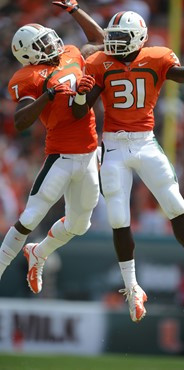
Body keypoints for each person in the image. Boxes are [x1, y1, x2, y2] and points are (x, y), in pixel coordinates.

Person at [72, 11, 184, 322]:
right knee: (118, 216)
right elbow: (81, 111)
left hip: (144, 141)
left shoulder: (157, 57)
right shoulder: (100, 63)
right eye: (110, 37)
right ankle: (133, 289)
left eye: (119, 38)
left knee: (175, 204)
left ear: (139, 39)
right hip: (114, 143)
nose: (113, 43)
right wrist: (79, 94)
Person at [0, 0, 104, 294]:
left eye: (48, 37)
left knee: (80, 224)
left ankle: (39, 253)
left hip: (89, 153)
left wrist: (74, 10)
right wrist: (46, 96)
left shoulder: (71, 53)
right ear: (29, 54)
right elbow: (21, 121)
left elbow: (99, 40)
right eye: (42, 43)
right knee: (29, 217)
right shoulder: (28, 78)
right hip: (60, 155)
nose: (51, 42)